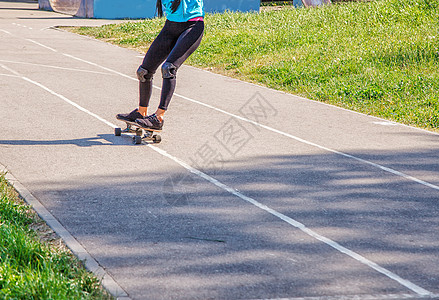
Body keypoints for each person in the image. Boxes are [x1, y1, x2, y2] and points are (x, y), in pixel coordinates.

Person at [116, 0, 205, 131]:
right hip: (171, 26)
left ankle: (158, 118)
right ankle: (142, 112)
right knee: (144, 71)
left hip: (192, 26)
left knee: (169, 68)